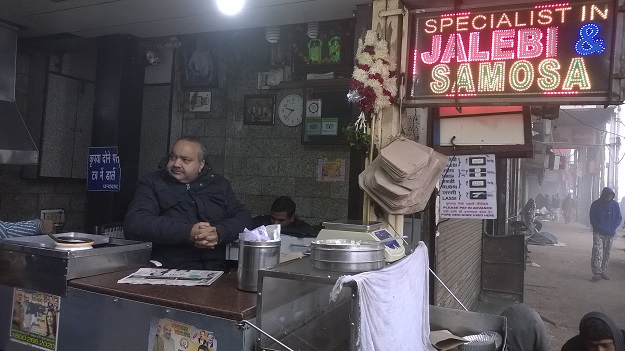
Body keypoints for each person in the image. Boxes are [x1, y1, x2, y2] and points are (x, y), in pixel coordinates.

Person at [124, 136, 252, 270]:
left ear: (201, 165)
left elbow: (243, 217)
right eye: (173, 157)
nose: (176, 164)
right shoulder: (151, 183)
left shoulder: (219, 185)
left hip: (217, 268)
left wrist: (219, 232)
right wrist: (187, 232)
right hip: (168, 267)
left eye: (186, 160)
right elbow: (136, 223)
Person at [588, 187, 621, 282]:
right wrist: (598, 227)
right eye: (608, 196)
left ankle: (603, 270)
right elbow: (592, 218)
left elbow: (619, 218)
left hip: (610, 233)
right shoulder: (596, 204)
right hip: (598, 232)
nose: (609, 198)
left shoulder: (615, 205)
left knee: (607, 252)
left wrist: (613, 227)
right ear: (604, 195)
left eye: (611, 196)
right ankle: (597, 272)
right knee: (598, 251)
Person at [252, 196, 318, 237]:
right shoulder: (262, 221)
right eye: (273, 218)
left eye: (281, 220)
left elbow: (311, 233)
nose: (275, 223)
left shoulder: (302, 228)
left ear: (292, 218)